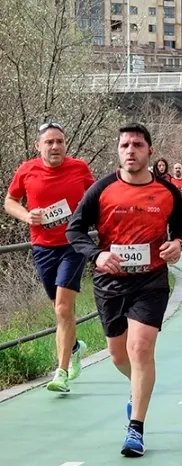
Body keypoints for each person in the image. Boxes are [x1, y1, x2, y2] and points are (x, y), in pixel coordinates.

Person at [66, 123, 182, 457]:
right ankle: (137, 387)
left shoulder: (166, 191)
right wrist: (98, 254)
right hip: (110, 282)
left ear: (149, 150)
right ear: (118, 151)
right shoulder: (102, 189)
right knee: (119, 354)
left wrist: (177, 243)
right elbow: (74, 230)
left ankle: (136, 429)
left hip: (150, 281)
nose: (131, 151)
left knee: (140, 348)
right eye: (125, 146)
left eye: (137, 145)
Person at [4, 122, 93, 393]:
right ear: (38, 146)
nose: (55, 147)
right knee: (59, 309)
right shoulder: (27, 170)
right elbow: (9, 201)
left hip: (73, 245)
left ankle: (61, 373)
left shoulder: (79, 168)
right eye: (50, 142)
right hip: (43, 247)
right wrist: (26, 215)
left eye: (60, 141)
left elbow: (97, 197)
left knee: (64, 308)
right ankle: (75, 347)